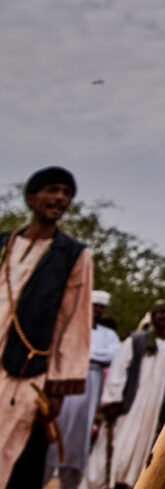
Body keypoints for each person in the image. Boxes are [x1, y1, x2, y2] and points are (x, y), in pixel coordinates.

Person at [0, 167, 93, 489]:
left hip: (28, 373)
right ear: (31, 196)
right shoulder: (4, 244)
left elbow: (75, 323)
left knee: (15, 452)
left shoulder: (74, 255)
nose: (60, 198)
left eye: (66, 194)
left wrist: (58, 385)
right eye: (53, 190)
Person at [87, 301, 165, 489]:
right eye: (161, 312)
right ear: (154, 316)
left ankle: (127, 482)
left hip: (152, 409)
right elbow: (118, 370)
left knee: (142, 447)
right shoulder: (137, 340)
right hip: (129, 405)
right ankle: (102, 483)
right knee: (118, 444)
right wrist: (112, 400)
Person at [45, 290, 116, 489]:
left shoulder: (108, 334)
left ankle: (71, 478)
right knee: (59, 425)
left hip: (92, 384)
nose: (98, 311)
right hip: (69, 378)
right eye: (95, 306)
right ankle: (50, 471)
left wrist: (86, 354)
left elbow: (111, 355)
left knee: (81, 431)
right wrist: (87, 355)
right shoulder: (70, 328)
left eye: (101, 308)